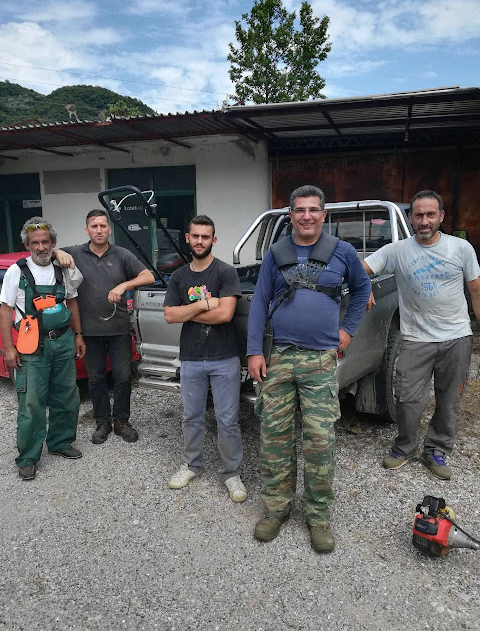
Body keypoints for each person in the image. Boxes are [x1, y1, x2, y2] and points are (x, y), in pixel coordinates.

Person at [247, 185, 371, 553]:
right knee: (275, 437)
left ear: (323, 215)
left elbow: (362, 290)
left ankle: (318, 517)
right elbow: (259, 303)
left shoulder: (343, 251)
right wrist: (254, 351)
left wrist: (347, 330)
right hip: (279, 357)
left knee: (319, 440)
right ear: (291, 216)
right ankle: (276, 509)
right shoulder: (276, 254)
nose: (306, 216)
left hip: (320, 361)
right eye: (299, 210)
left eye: (313, 210)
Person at [363, 190, 480, 480]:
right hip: (415, 339)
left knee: (449, 400)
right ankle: (406, 447)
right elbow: (360, 268)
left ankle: (436, 450)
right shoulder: (396, 250)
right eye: (419, 215)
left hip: (456, 337)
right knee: (407, 398)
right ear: (410, 218)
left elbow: (476, 290)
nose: (424, 221)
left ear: (441, 216)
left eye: (430, 214)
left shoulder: (461, 248)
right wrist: (363, 285)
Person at [164, 215, 247, 503]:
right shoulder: (178, 277)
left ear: (214, 240)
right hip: (191, 357)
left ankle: (231, 473)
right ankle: (191, 465)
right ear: (187, 238)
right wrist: (203, 304)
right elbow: (169, 315)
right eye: (195, 236)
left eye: (205, 236)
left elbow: (225, 314)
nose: (200, 241)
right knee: (191, 417)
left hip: (225, 357)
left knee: (227, 419)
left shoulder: (225, 273)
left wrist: (187, 311)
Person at [54, 210, 154, 445]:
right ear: (87, 230)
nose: (99, 230)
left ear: (109, 229)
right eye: (94, 226)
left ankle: (122, 421)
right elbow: (43, 252)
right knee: (96, 378)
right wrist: (57, 252)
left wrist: (124, 285)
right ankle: (102, 422)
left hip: (119, 330)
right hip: (89, 332)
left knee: (122, 376)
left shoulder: (121, 254)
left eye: (102, 226)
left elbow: (148, 276)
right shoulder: (75, 253)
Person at [0, 217, 85, 480]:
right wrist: (8, 348)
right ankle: (28, 457)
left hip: (62, 341)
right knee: (32, 402)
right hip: (31, 346)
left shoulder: (62, 269)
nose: (41, 247)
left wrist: (78, 335)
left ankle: (60, 442)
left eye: (45, 241)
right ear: (27, 245)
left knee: (66, 395)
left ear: (53, 243)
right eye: (35, 242)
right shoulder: (16, 272)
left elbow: (72, 302)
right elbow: (5, 310)